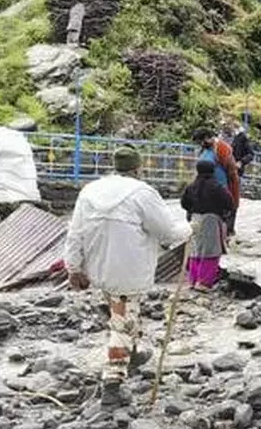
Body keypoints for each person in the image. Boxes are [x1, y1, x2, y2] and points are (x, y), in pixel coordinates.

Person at [64, 147, 191, 408]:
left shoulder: (90, 191)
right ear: (137, 168)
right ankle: (112, 383)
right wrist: (190, 228)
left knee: (122, 314)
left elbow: (74, 232)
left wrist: (73, 267)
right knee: (122, 321)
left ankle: (130, 354)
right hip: (130, 269)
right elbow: (167, 232)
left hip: (100, 266)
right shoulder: (142, 193)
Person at [181, 160, 233, 291]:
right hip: (211, 220)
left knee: (195, 250)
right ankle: (204, 282)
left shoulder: (191, 186)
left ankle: (192, 280)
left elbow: (184, 203)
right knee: (210, 251)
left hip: (195, 220)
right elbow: (229, 203)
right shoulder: (216, 186)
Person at [192, 127, 241, 234]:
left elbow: (231, 170)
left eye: (201, 141)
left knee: (227, 209)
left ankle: (226, 232)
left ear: (206, 138)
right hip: (207, 187)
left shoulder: (222, 148)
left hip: (222, 186)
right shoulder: (204, 151)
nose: (200, 144)